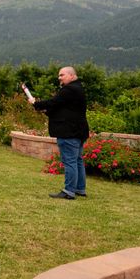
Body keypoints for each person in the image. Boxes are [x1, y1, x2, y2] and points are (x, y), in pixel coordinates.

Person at [29, 66, 89, 200]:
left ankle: (69, 191)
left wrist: (36, 103)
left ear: (72, 76)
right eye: (59, 75)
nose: (59, 78)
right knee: (78, 160)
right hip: (78, 131)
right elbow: (62, 108)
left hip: (69, 132)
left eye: (62, 75)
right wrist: (46, 110)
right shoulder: (78, 89)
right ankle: (80, 188)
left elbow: (53, 102)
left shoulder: (69, 89)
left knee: (70, 161)